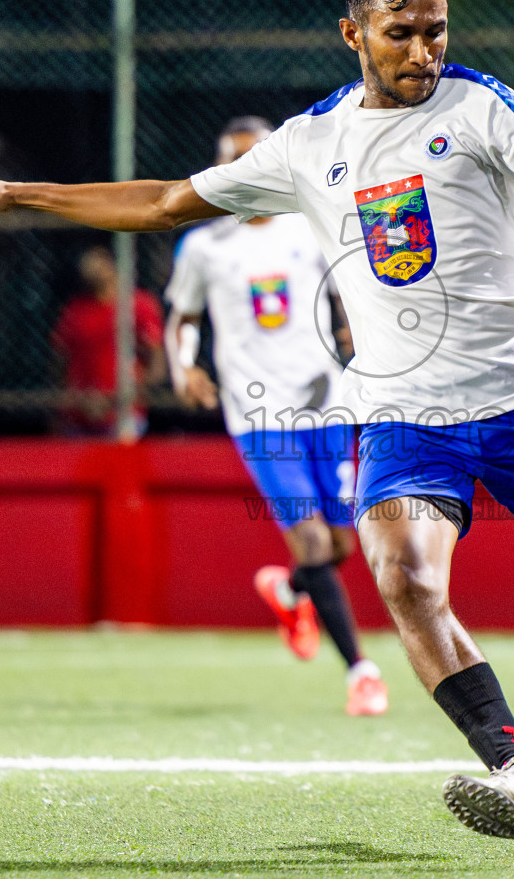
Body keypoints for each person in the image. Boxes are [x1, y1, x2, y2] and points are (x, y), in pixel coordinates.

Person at [0, 0, 514, 853]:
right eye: (401, 34)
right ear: (352, 32)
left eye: (436, 32)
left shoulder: (484, 108)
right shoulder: (309, 144)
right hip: (402, 414)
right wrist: (15, 196)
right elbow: (165, 202)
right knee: (402, 577)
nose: (423, 53)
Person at [164, 115, 386, 717]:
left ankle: (288, 589)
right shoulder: (205, 245)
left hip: (328, 406)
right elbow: (182, 318)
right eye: (235, 163)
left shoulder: (309, 230)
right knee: (312, 537)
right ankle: (361, 672)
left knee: (341, 541)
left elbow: (349, 294)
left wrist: (357, 334)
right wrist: (184, 366)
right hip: (260, 417)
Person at [51, 245, 165, 437]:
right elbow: (59, 361)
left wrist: (127, 396)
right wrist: (73, 400)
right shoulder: (75, 310)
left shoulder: (139, 304)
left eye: (99, 263)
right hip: (78, 417)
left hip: (124, 417)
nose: (92, 268)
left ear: (113, 267)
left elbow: (156, 360)